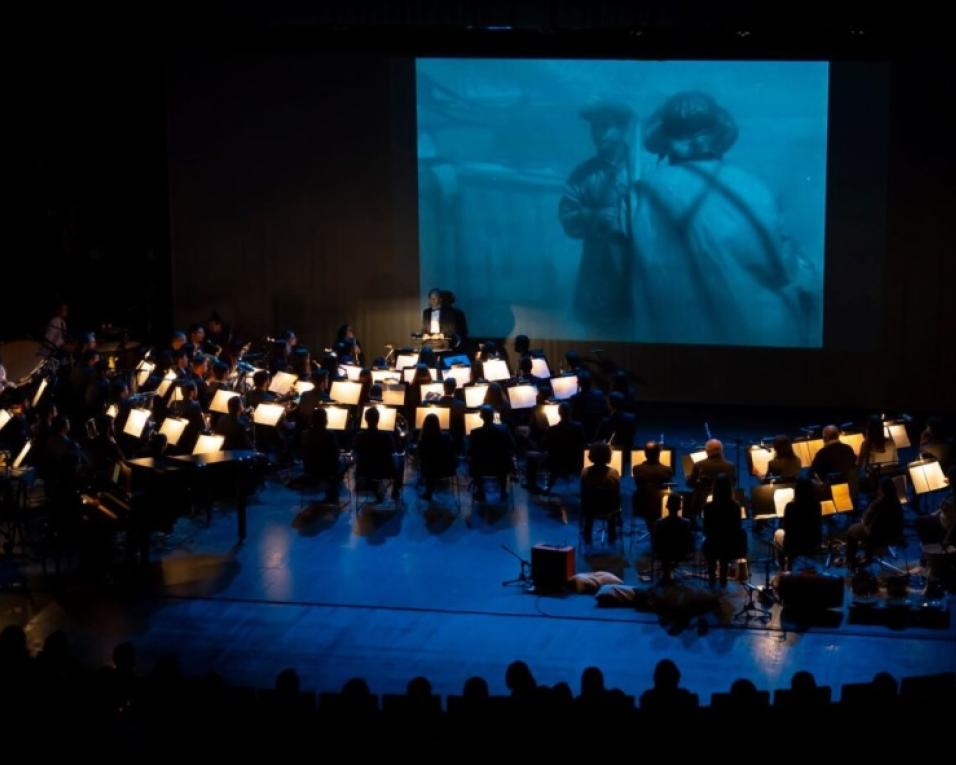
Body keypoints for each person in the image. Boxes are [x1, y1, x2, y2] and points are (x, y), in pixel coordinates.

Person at [631, 91, 821, 346]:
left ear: (666, 140)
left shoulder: (639, 192)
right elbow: (781, 270)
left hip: (668, 341)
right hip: (749, 338)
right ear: (718, 135)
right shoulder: (753, 187)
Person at [558, 99, 636, 336]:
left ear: (622, 129)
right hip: (599, 273)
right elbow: (568, 217)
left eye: (606, 127)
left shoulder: (645, 168)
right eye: (595, 128)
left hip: (641, 270)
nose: (599, 134)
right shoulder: (583, 175)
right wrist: (599, 216)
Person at [846, 477, 905, 570]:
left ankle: (852, 561)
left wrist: (863, 522)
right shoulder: (897, 501)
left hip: (876, 538)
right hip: (894, 536)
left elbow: (865, 519)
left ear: (881, 490)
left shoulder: (877, 503)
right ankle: (868, 555)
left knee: (851, 530)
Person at [702, 474, 746, 587]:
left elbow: (705, 529)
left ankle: (712, 580)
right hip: (730, 545)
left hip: (712, 544)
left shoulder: (708, 507)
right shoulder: (735, 507)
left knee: (709, 544)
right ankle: (723, 582)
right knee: (724, 557)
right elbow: (738, 527)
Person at [353, 406, 402, 502]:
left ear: (365, 419)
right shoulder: (386, 436)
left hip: (364, 471)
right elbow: (393, 451)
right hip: (384, 471)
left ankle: (369, 485)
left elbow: (356, 452)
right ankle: (395, 492)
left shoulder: (359, 436)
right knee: (400, 460)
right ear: (378, 419)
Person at [773, 477, 822, 570]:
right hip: (813, 543)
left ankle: (783, 568)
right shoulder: (816, 505)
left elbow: (786, 527)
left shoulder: (790, 506)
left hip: (793, 544)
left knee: (777, 533)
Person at [467, 404, 514, 502]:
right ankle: (503, 491)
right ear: (493, 416)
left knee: (474, 460)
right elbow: (512, 444)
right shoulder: (504, 429)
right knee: (504, 457)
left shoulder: (475, 432)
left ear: (481, 417)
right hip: (501, 467)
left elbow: (470, 451)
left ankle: (480, 492)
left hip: (481, 468)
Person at [580, 442, 621, 547]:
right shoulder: (614, 472)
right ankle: (612, 536)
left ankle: (587, 535)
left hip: (589, 508)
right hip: (609, 508)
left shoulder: (585, 472)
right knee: (613, 505)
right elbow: (616, 493)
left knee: (589, 506)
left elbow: (583, 491)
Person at [633, 440, 675, 533]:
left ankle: (652, 529)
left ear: (645, 454)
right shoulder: (667, 470)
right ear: (659, 453)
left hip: (641, 506)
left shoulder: (636, 469)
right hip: (661, 506)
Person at [653, 493, 694, 583]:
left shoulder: (659, 523)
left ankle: (667, 572)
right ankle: (670, 571)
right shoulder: (686, 523)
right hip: (681, 553)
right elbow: (689, 542)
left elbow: (656, 542)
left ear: (667, 506)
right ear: (679, 507)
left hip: (663, 553)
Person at [416, 412, 456, 500]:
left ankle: (428, 491)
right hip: (447, 470)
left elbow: (420, 457)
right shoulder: (447, 436)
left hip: (429, 471)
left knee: (426, 464)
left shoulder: (423, 440)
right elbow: (452, 452)